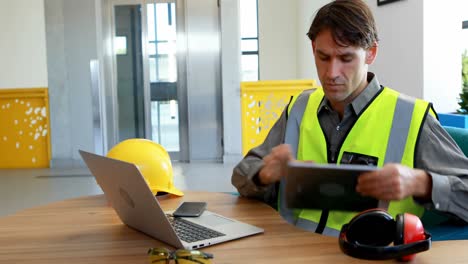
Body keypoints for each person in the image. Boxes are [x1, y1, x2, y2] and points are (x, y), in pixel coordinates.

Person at [232, 0, 468, 236]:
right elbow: (241, 174)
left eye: (345, 59)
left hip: (370, 255)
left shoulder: (411, 117)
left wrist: (422, 183)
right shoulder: (299, 107)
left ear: (371, 53)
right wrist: (264, 175)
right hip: (293, 250)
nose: (332, 73)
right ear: (314, 48)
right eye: (323, 57)